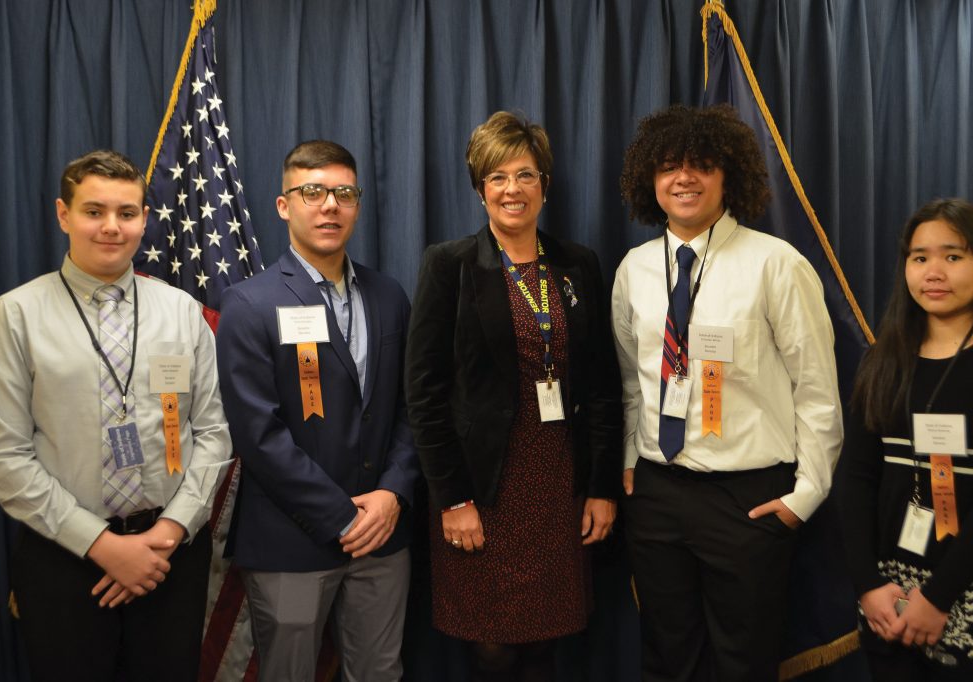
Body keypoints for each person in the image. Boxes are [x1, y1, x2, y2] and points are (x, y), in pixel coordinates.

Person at [611, 104, 843, 681]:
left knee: (744, 663)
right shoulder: (634, 269)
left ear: (728, 175)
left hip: (749, 500)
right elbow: (629, 383)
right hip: (658, 494)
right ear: (651, 180)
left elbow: (816, 389)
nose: (683, 178)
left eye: (701, 165)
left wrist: (805, 495)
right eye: (669, 167)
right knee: (666, 658)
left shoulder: (776, 264)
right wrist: (627, 462)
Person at [0, 150, 232, 681]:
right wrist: (103, 546)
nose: (112, 227)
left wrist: (165, 534)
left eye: (127, 212)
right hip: (64, 557)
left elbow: (213, 434)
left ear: (145, 217)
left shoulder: (182, 311)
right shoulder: (17, 314)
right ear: (63, 214)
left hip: (170, 555)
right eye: (94, 211)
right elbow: (0, 457)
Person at [404, 110, 622, 681]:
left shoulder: (577, 265)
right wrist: (452, 499)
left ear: (545, 187)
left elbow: (601, 386)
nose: (512, 189)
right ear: (480, 190)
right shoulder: (448, 265)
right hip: (482, 491)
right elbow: (424, 395)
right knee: (493, 646)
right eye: (497, 177)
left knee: (548, 638)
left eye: (525, 175)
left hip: (557, 485)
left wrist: (601, 488)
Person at [215, 139, 418, 681]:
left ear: (357, 204)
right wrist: (341, 516)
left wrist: (393, 494)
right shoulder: (249, 304)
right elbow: (259, 436)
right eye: (313, 192)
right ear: (285, 205)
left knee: (379, 673)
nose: (330, 205)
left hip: (382, 536)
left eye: (343, 193)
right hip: (290, 540)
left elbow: (408, 408)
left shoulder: (389, 295)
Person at [835, 198, 973, 681]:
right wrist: (869, 585)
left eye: (953, 256)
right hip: (890, 598)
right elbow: (856, 479)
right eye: (919, 257)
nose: (935, 271)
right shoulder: (883, 360)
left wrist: (938, 597)